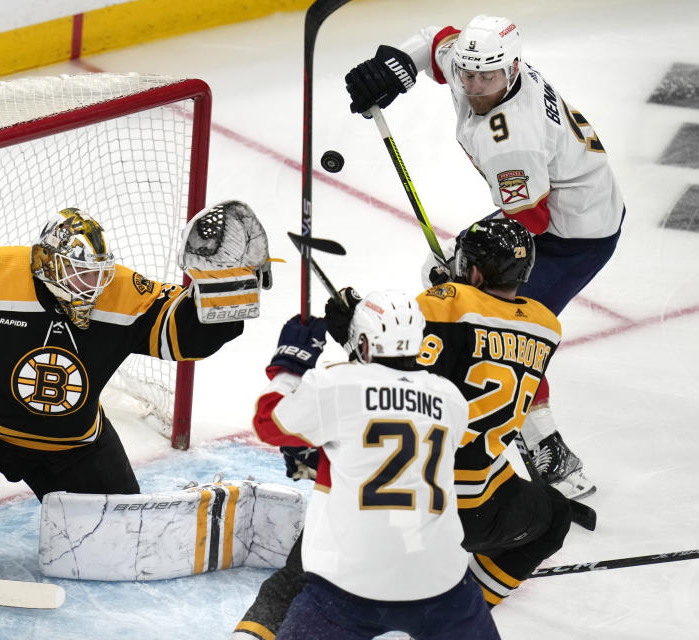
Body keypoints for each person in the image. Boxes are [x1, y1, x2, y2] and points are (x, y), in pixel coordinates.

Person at [232, 219, 572, 638]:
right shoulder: (546, 326)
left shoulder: (446, 303)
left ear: (476, 270)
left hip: (419, 507)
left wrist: (352, 331)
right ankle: (469, 604)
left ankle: (255, 631)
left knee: (311, 565)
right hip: (489, 507)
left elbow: (394, 386)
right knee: (556, 513)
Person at [343, 14, 625, 499]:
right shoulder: (478, 65)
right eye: (469, 74)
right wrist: (395, 67)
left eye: (486, 77)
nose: (474, 86)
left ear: (512, 70)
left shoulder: (511, 138)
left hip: (573, 234)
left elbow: (529, 220)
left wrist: (467, 259)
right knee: (458, 291)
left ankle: (549, 450)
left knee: (508, 326)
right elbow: (437, 43)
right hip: (559, 206)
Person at [0, 205, 260, 520]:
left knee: (119, 535)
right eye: (78, 274)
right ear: (47, 263)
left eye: (98, 274)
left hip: (70, 444)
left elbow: (184, 335)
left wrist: (225, 290)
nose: (93, 286)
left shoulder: (120, 290)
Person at [247, 291, 499, 640]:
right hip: (441, 584)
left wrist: (289, 368)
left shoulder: (335, 385)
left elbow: (267, 422)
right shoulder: (452, 399)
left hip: (350, 586)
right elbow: (398, 404)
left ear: (363, 344)